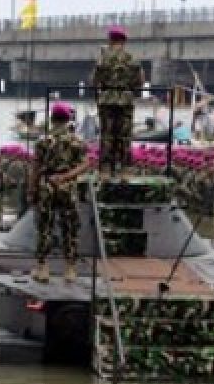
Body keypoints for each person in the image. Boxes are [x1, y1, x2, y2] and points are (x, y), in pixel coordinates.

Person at [29, 102, 92, 283]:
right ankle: (70, 270)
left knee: (44, 228)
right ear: (68, 120)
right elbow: (86, 164)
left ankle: (43, 269)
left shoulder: (42, 141)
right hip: (68, 187)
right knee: (70, 228)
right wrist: (66, 176)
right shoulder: (77, 141)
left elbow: (35, 167)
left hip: (46, 185)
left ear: (52, 119)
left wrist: (31, 190)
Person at [92, 25, 145, 179]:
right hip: (126, 100)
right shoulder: (132, 58)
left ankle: (105, 170)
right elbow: (139, 82)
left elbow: (95, 81)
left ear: (110, 40)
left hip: (107, 99)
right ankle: (125, 169)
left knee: (107, 135)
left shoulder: (103, 58)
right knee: (125, 135)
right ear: (124, 41)